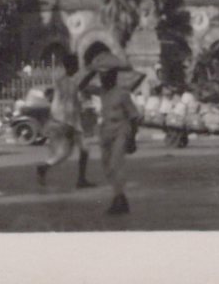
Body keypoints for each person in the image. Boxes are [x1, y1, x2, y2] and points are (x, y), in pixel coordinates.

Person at [36, 54, 95, 190]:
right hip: (66, 120)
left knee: (77, 150)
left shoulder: (66, 80)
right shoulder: (66, 80)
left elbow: (81, 84)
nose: (77, 68)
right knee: (67, 152)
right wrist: (93, 70)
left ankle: (80, 179)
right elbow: (81, 82)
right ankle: (44, 167)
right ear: (71, 66)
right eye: (75, 65)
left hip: (70, 120)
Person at [95, 68, 141, 215]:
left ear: (113, 77)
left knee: (116, 164)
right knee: (106, 165)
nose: (102, 79)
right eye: (101, 76)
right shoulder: (102, 93)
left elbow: (134, 117)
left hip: (121, 130)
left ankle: (118, 200)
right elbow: (81, 85)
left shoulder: (122, 94)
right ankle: (121, 197)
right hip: (106, 130)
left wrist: (132, 139)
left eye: (105, 75)